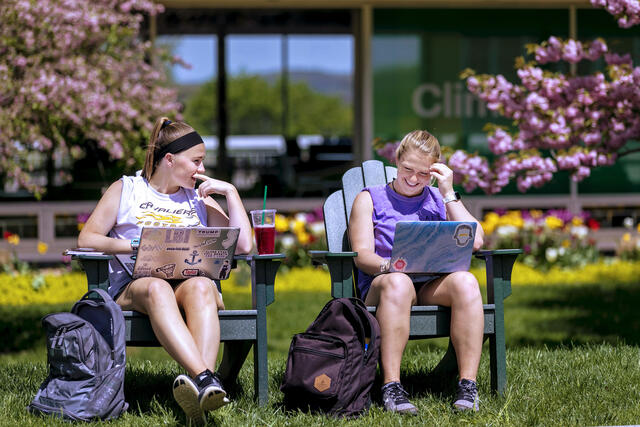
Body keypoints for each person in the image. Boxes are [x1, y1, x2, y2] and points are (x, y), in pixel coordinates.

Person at [78, 117, 252, 423]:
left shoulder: (199, 198)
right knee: (157, 287)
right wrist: (135, 245)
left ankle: (199, 397)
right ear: (169, 160)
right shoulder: (128, 189)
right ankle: (206, 379)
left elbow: (244, 246)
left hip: (188, 283)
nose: (202, 169)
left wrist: (231, 193)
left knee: (201, 286)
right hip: (136, 286)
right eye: (196, 161)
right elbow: (87, 238)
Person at [348, 130, 485, 414]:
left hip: (428, 287)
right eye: (407, 169)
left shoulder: (438, 199)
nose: (413, 178)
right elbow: (361, 255)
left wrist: (448, 192)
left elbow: (477, 240)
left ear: (434, 173)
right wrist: (391, 266)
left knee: (466, 282)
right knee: (399, 283)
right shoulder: (369, 198)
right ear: (396, 161)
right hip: (384, 285)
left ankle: (468, 385)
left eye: (423, 174)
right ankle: (392, 386)